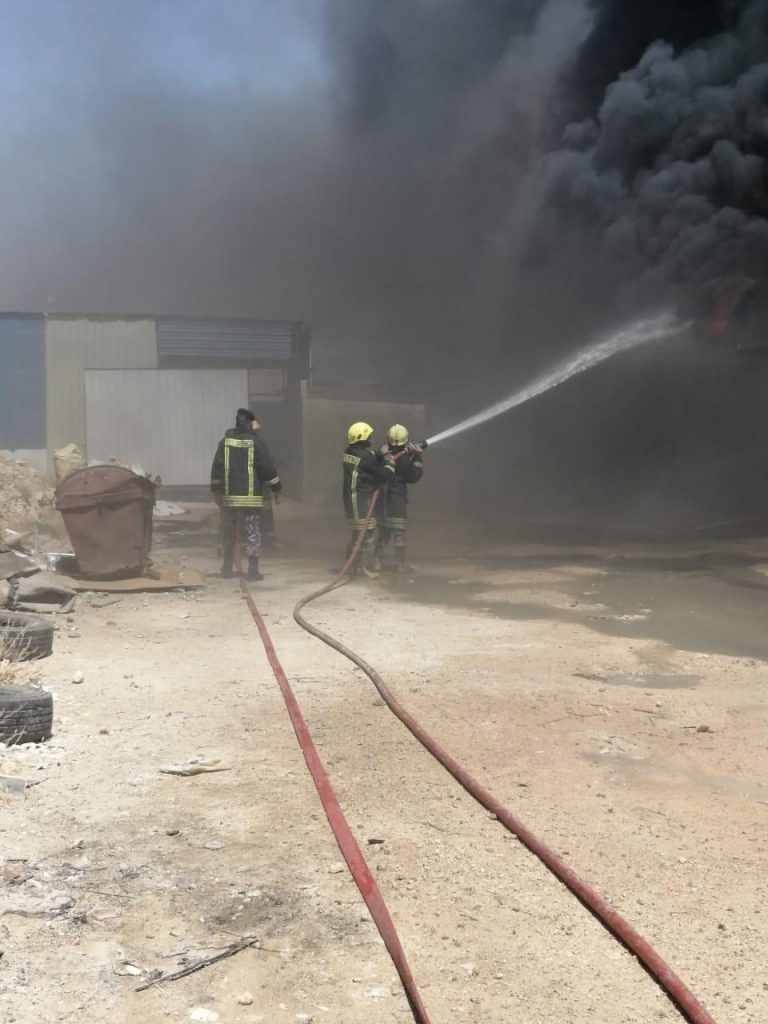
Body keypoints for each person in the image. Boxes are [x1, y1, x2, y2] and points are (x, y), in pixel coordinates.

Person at [211, 408, 282, 581]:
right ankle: (253, 571)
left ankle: (226, 568)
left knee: (229, 532)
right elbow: (267, 469)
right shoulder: (257, 443)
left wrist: (216, 492)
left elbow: (217, 469)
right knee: (252, 533)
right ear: (250, 424)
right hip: (251, 499)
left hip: (230, 499)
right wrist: (277, 489)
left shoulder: (225, 442)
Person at [342, 421, 395, 576]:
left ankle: (350, 563)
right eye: (369, 437)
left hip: (351, 498)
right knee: (366, 534)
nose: (371, 439)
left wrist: (378, 454)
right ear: (362, 439)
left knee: (359, 533)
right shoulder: (366, 456)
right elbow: (383, 475)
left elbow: (365, 462)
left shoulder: (349, 451)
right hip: (360, 499)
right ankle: (358, 569)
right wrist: (391, 464)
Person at [375, 424, 424, 572]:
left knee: (383, 534)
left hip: (381, 502)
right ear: (406, 440)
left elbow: (374, 464)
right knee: (399, 535)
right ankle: (402, 565)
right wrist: (417, 456)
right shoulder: (404, 460)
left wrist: (379, 453)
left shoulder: (382, 455)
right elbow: (414, 477)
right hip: (397, 502)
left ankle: (377, 563)